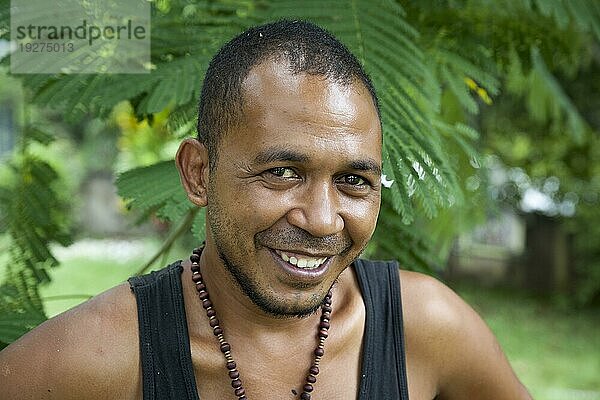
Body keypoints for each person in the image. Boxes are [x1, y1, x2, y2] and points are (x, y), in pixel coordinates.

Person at [0, 20, 531, 399]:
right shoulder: (96, 357)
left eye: (353, 181)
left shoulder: (427, 329)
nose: (322, 219)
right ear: (198, 174)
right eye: (282, 173)